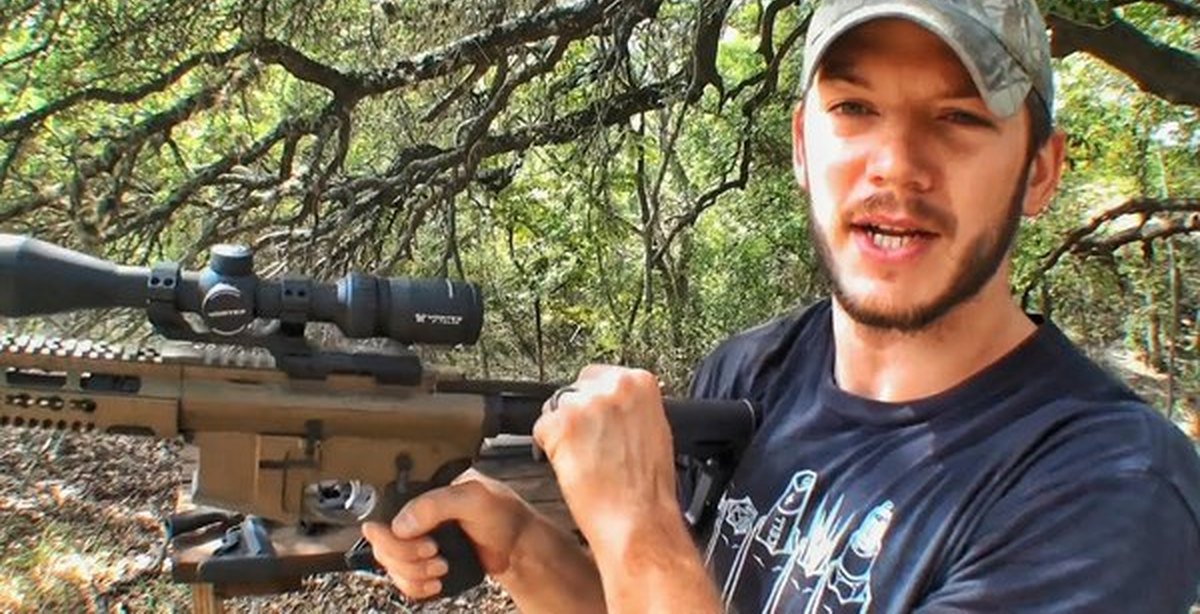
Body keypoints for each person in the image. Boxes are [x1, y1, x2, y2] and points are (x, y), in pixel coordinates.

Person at [363, 0, 1200, 611]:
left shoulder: (1107, 489)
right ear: (802, 145)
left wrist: (637, 525)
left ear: (1041, 171)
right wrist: (524, 549)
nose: (896, 164)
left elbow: (653, 570)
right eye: (854, 109)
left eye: (959, 116)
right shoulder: (750, 375)